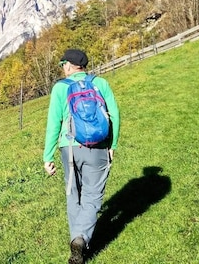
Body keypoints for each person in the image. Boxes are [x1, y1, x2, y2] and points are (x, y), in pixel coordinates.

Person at [43, 48, 120, 264]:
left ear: (68, 65)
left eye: (63, 65)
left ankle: (76, 242)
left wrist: (47, 156)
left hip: (68, 147)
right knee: (93, 194)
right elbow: (115, 114)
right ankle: (81, 239)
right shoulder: (100, 84)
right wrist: (112, 144)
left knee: (72, 192)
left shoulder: (60, 88)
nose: (62, 69)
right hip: (98, 147)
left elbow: (53, 123)